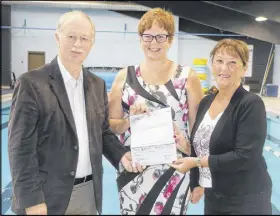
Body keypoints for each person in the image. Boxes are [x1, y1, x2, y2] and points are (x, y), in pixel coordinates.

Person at [8, 11, 139, 215]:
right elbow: (20, 147)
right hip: (46, 195)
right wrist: (31, 199)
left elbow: (102, 132)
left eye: (84, 38)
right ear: (57, 37)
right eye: (71, 36)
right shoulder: (31, 83)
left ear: (92, 43)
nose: (78, 44)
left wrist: (122, 155)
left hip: (88, 193)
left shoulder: (96, 85)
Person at [109, 8, 204, 215]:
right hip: (134, 171)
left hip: (175, 171)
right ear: (140, 39)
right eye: (148, 36)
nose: (154, 43)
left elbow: (198, 133)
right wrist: (128, 121)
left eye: (161, 36)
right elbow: (111, 125)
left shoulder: (188, 77)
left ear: (170, 39)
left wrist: (199, 179)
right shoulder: (123, 77)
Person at [170, 38, 273, 214]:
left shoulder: (250, 104)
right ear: (212, 65)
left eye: (232, 62)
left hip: (245, 196)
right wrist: (186, 148)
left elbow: (244, 156)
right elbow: (206, 147)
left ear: (244, 68)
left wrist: (195, 162)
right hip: (215, 194)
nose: (224, 68)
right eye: (219, 61)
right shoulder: (207, 102)